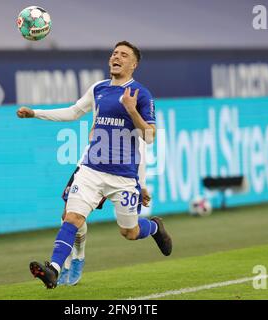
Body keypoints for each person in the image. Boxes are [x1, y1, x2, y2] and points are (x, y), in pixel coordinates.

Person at [17, 40, 172, 289]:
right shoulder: (99, 88)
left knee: (129, 232)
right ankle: (54, 269)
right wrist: (35, 113)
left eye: (123, 55)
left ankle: (154, 227)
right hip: (91, 170)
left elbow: (149, 137)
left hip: (123, 178)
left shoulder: (141, 94)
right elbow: (73, 112)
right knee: (72, 217)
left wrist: (132, 111)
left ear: (134, 64)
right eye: (114, 53)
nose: (116, 57)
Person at [57, 139, 151, 286]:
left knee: (128, 231)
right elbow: (76, 115)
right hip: (87, 166)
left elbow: (142, 144)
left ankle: (78, 257)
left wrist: (142, 184)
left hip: (115, 172)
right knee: (67, 215)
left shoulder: (132, 117)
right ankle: (67, 263)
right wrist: (35, 114)